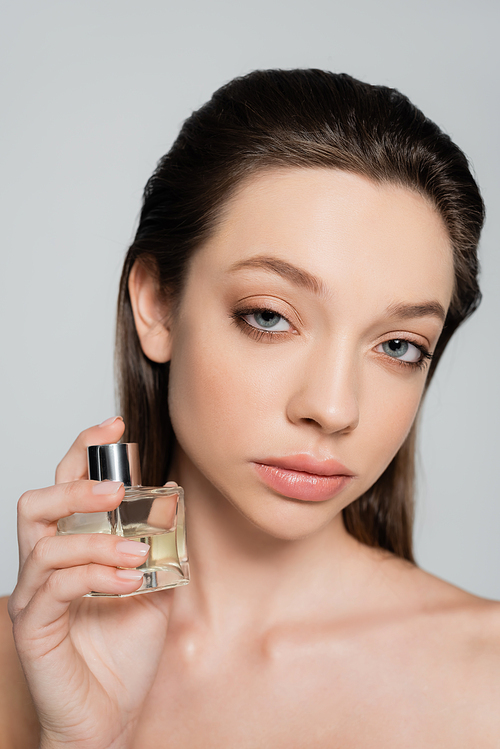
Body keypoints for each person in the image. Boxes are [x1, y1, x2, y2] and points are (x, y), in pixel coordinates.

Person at [0, 69, 498, 748]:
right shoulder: (23, 657)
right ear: (156, 304)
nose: (331, 407)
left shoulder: (485, 679)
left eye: (399, 345)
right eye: (269, 315)